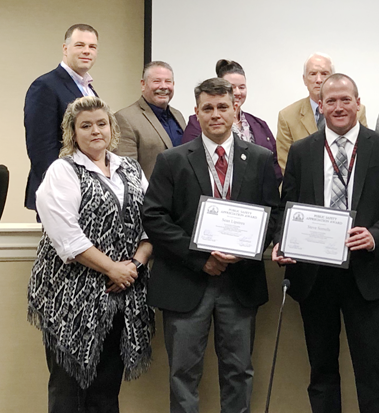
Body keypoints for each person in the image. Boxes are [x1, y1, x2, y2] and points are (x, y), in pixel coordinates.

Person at [273, 73, 379, 413]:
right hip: (315, 278)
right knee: (321, 371)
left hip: (367, 276)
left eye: (345, 100)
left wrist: (376, 235)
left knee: (374, 372)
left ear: (358, 103)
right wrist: (282, 241)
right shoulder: (302, 151)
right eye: (330, 101)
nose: (338, 107)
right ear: (320, 106)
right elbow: (286, 207)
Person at [143, 78, 281, 413]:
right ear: (197, 113)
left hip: (239, 281)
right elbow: (155, 218)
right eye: (208, 108)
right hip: (186, 281)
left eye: (222, 107)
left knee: (239, 371)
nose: (216, 114)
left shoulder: (261, 158)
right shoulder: (172, 159)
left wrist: (246, 249)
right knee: (183, 374)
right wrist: (199, 257)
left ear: (235, 109)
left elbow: (273, 215)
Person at [27, 96, 154, 412]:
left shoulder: (132, 169)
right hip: (70, 300)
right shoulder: (63, 170)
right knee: (68, 390)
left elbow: (152, 225)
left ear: (112, 127)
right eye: (86, 125)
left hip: (119, 297)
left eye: (101, 123)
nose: (95, 131)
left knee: (105, 391)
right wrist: (113, 268)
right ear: (73, 132)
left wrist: (134, 266)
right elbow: (66, 236)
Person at [24, 24, 99, 212]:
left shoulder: (89, 89)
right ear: (65, 49)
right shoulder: (45, 86)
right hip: (60, 194)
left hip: (88, 192)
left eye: (92, 47)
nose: (86, 51)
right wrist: (60, 189)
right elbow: (41, 148)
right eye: (80, 45)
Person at [183, 59, 282, 183]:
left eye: (242, 87)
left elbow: (274, 166)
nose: (237, 92)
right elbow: (190, 163)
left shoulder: (259, 124)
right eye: (232, 87)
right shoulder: (199, 123)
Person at [275, 52, 368, 171]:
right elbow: (287, 167)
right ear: (304, 79)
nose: (318, 80)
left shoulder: (356, 111)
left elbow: (364, 153)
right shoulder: (287, 116)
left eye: (324, 74)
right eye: (313, 74)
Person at [114, 61, 186, 178]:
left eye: (168, 81)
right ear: (143, 84)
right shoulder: (124, 118)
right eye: (156, 81)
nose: (163, 86)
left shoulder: (178, 116)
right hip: (149, 195)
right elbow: (126, 173)